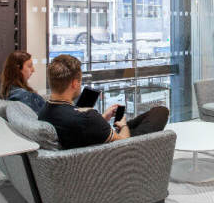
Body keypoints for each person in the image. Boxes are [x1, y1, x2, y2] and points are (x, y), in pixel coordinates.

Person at [38, 54, 169, 150]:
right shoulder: (88, 117)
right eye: (80, 81)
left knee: (133, 120)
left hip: (95, 144)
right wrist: (123, 126)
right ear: (74, 83)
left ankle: (121, 124)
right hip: (119, 153)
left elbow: (83, 128)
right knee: (160, 111)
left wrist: (103, 118)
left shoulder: (44, 112)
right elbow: (124, 143)